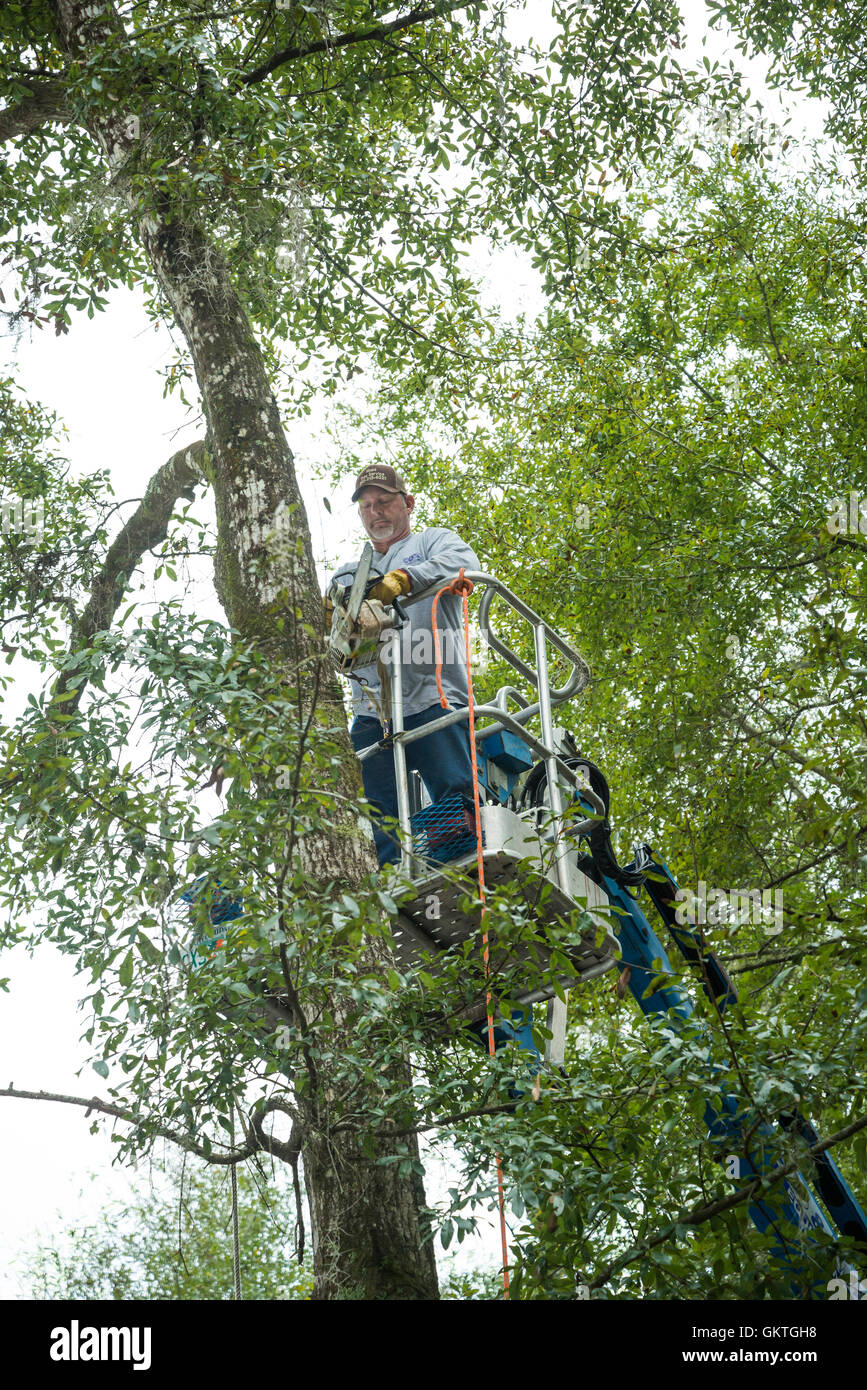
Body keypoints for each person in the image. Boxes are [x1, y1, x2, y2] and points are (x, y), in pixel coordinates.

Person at [330, 464, 481, 866]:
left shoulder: (433, 541)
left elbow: (466, 563)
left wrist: (404, 580)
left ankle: (463, 868)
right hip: (372, 709)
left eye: (384, 502)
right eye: (366, 506)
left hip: (432, 694)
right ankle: (386, 882)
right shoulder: (347, 575)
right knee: (373, 810)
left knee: (453, 791)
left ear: (408, 503)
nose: (375, 512)